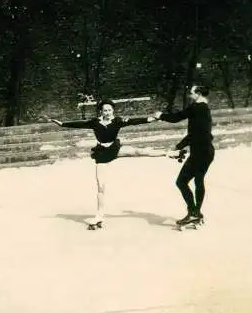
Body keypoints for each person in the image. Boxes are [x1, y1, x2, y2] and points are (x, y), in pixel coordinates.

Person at [49, 99, 182, 229]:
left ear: (113, 110)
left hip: (114, 149)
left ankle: (170, 154)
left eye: (109, 110)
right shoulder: (95, 122)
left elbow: (133, 122)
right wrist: (62, 124)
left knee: (137, 151)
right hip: (101, 154)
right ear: (101, 111)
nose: (107, 112)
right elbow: (79, 124)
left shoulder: (118, 121)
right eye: (105, 110)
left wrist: (150, 119)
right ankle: (99, 215)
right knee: (101, 186)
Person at [154, 85, 215, 226]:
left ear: (198, 94)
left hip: (199, 153)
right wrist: (179, 146)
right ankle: (196, 213)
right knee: (198, 180)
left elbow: (176, 118)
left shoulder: (196, 107)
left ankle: (193, 213)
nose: (189, 95)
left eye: (191, 93)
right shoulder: (205, 109)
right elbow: (197, 133)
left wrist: (160, 116)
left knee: (181, 182)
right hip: (207, 151)